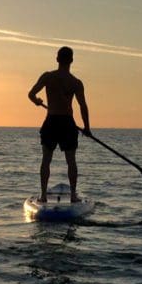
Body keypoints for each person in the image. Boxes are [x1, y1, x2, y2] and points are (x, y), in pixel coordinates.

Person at [28, 46, 91, 203]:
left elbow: (31, 94)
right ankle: (73, 196)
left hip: (51, 121)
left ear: (57, 59)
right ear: (71, 60)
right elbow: (83, 106)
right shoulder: (75, 82)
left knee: (46, 159)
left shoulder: (48, 77)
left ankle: (43, 195)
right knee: (71, 161)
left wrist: (37, 102)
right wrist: (87, 127)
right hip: (67, 123)